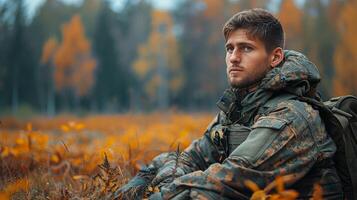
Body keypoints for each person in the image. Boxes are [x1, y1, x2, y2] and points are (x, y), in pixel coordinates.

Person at [115, 8, 343, 200]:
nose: (234, 57)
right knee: (164, 162)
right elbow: (191, 158)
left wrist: (164, 192)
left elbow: (227, 180)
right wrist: (169, 177)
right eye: (230, 48)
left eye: (246, 48)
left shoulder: (292, 116)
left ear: (275, 58)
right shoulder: (238, 108)